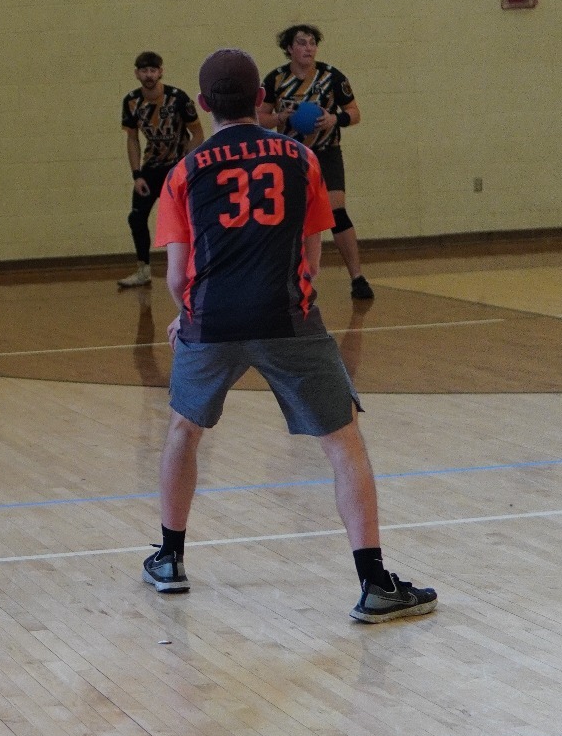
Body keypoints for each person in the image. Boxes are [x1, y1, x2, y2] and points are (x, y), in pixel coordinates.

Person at [144, 47, 435, 625]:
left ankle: (170, 560)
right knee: (343, 441)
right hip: (288, 317)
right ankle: (375, 584)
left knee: (183, 430)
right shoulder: (302, 159)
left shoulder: (185, 171)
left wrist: (189, 311)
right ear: (261, 99)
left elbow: (177, 277)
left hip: (212, 322)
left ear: (202, 104)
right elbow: (310, 251)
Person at [258, 23, 373, 299]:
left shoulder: (332, 76)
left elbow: (355, 113)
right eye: (302, 43)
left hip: (326, 153)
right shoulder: (274, 79)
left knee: (336, 212)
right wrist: (279, 119)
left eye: (312, 43)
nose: (309, 48)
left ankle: (357, 277)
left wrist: (335, 119)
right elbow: (259, 118)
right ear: (289, 49)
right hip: (290, 156)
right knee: (293, 217)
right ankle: (297, 279)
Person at [117, 51, 202, 289]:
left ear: (161, 71)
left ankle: (196, 268)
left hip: (177, 169)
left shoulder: (178, 98)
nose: (149, 75)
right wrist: (137, 174)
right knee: (136, 217)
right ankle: (143, 269)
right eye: (144, 70)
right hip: (151, 169)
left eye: (153, 70)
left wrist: (185, 167)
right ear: (137, 73)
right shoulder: (132, 101)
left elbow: (197, 134)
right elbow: (132, 139)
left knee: (189, 219)